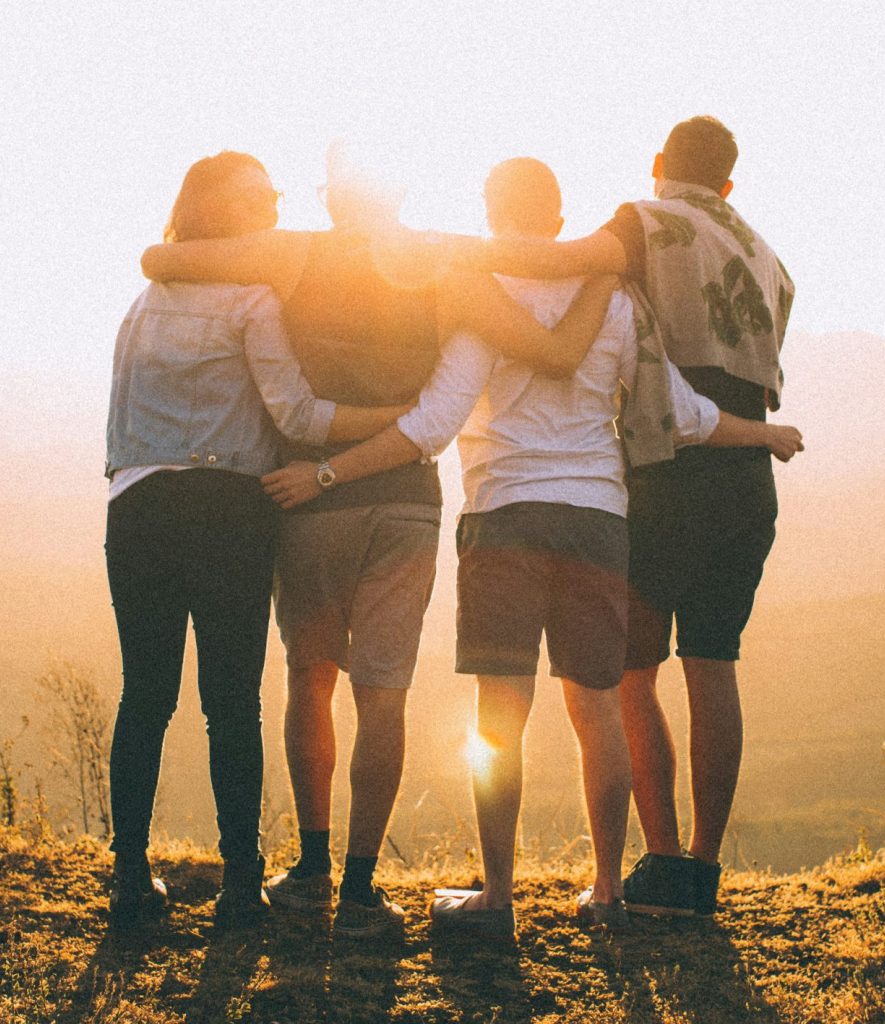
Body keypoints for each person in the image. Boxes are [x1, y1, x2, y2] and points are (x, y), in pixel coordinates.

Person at [260, 156, 803, 940]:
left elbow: (433, 424)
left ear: (491, 212)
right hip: (598, 521)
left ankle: (499, 897)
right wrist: (767, 434)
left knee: (499, 719)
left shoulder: (481, 295)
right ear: (558, 219)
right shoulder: (615, 300)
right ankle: (609, 892)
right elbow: (683, 413)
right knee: (598, 712)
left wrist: (327, 471)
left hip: (504, 516)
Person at [140, 142, 618, 939]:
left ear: (331, 199)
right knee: (383, 692)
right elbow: (550, 350)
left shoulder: (290, 256)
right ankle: (362, 889)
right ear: (400, 191)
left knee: (310, 677)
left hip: (309, 496)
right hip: (405, 501)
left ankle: (312, 867)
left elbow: (163, 259)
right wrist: (604, 268)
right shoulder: (444, 262)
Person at [442, 116, 796, 917]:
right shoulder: (770, 257)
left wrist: (444, 252)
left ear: (660, 163)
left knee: (627, 675)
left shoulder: (646, 222)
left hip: (666, 468)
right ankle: (700, 873)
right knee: (715, 664)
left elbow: (558, 261)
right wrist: (767, 435)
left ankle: (659, 864)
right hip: (744, 472)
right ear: (730, 183)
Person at [105, 151, 412, 930]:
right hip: (229, 512)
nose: (274, 206)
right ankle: (242, 884)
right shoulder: (252, 300)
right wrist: (398, 421)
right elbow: (299, 418)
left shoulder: (143, 304)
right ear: (225, 212)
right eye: (260, 197)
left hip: (137, 507)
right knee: (230, 703)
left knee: (145, 695)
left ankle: (130, 877)